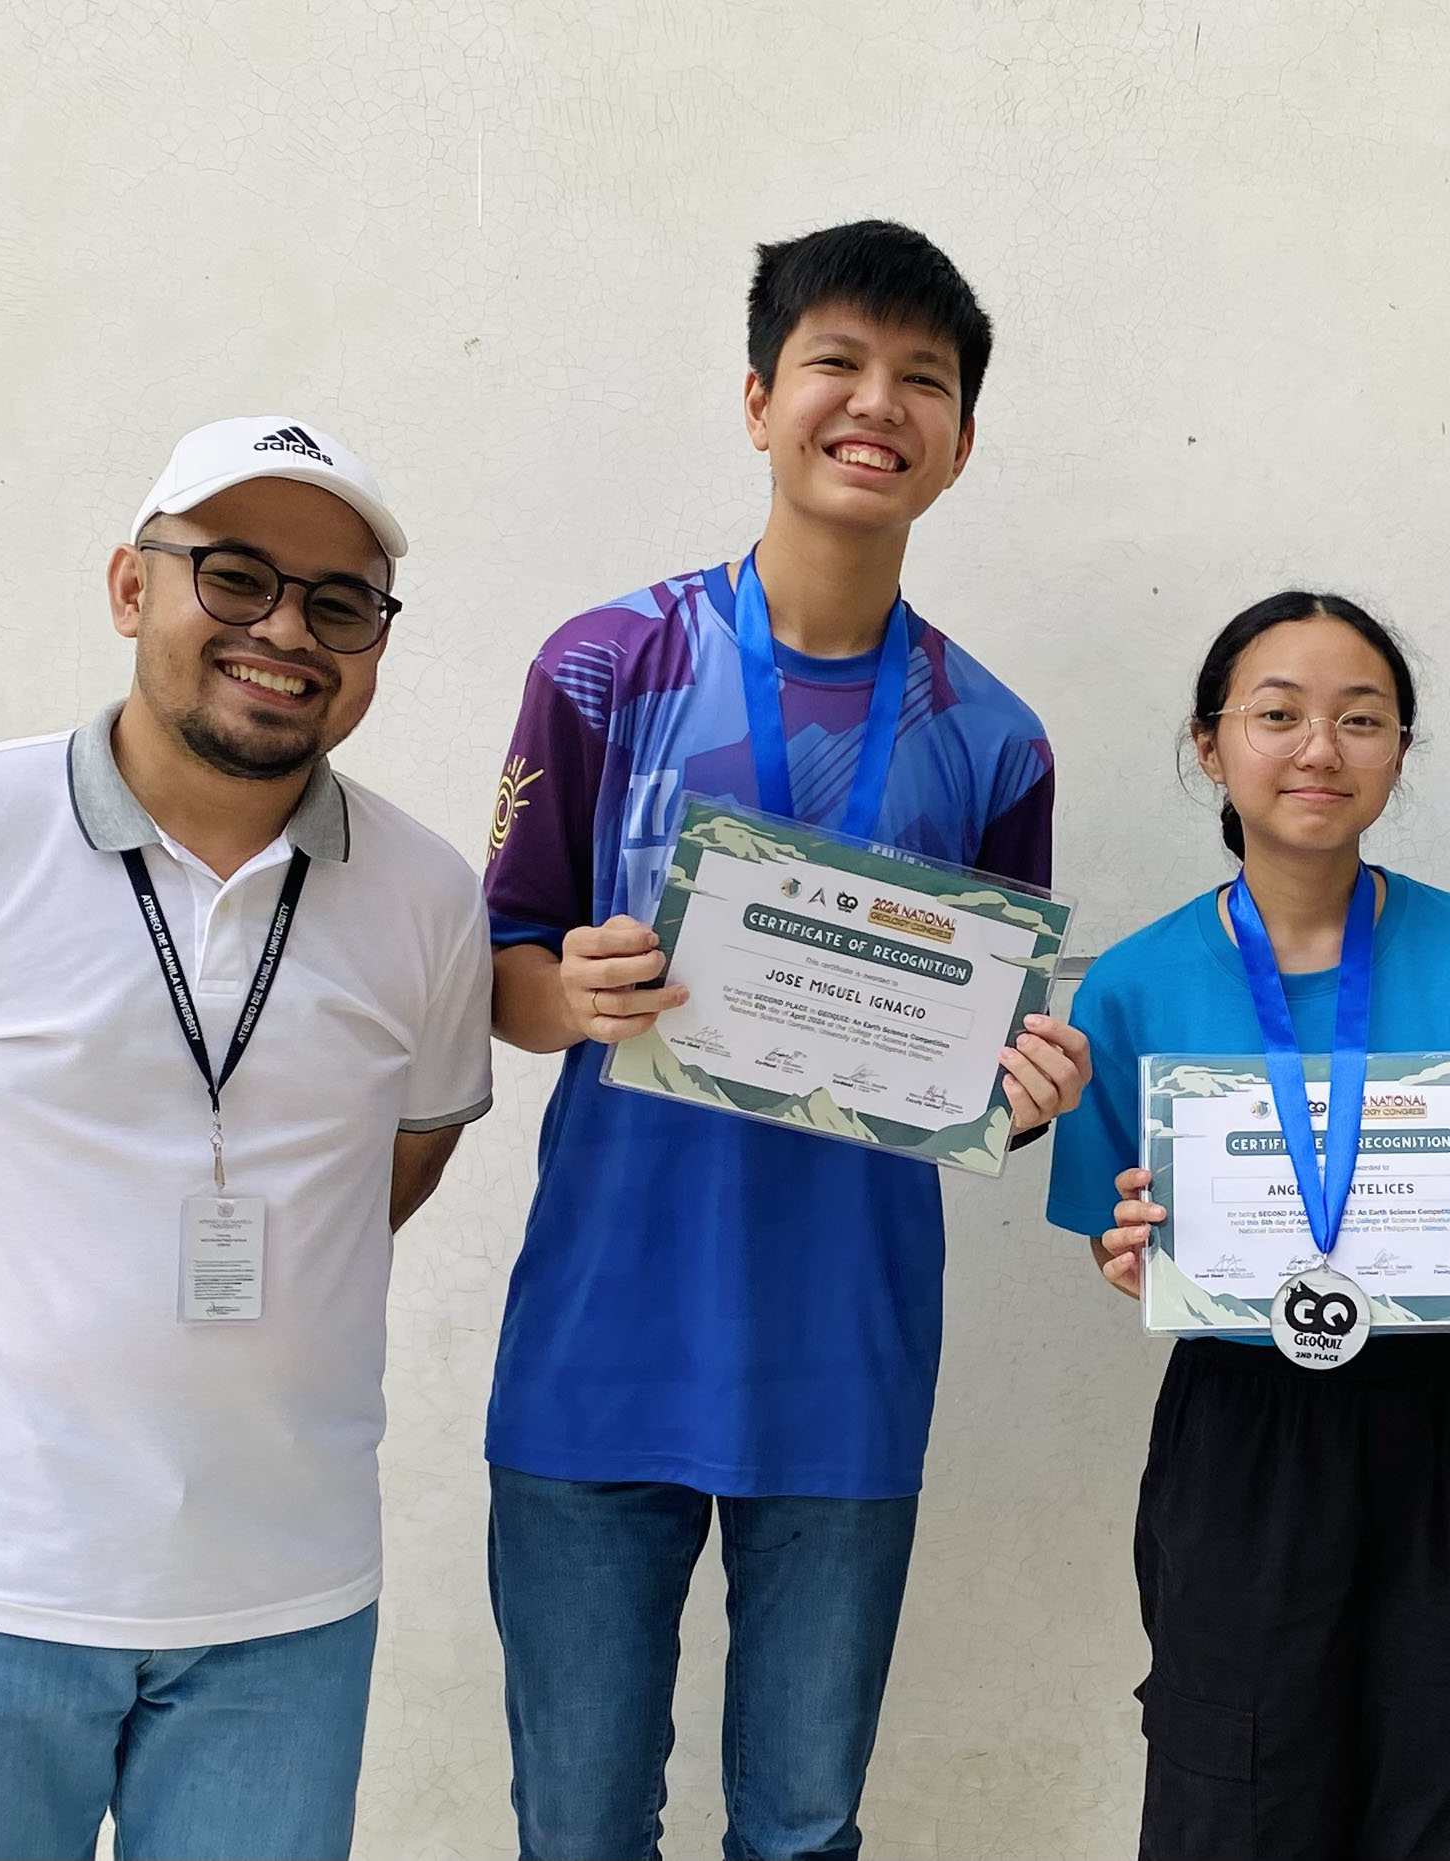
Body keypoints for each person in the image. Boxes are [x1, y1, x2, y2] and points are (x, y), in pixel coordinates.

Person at [0, 416, 493, 1859]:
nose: (286, 630)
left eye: (340, 602)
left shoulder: (428, 896)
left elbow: (387, 1165)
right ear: (132, 588)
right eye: (237, 576)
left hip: (285, 1604)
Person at [479, 218, 1090, 1859]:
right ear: (758, 396)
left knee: (805, 1831)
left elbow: (989, 1059)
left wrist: (1030, 1094)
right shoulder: (604, 667)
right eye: (835, 360)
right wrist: (574, 994)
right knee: (580, 1824)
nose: (873, 402)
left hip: (843, 1354)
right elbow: (498, 972)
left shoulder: (995, 737)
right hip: (599, 1340)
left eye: (923, 379)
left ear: (958, 441)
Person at [1051, 591, 1450, 1861]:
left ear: (1401, 747)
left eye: (1361, 718)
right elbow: (1112, 1231)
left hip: (1449, 1415)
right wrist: (1130, 1257)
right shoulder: (1131, 983)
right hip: (1244, 1429)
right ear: (1209, 744)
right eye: (1276, 715)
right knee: (1238, 1786)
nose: (1318, 750)